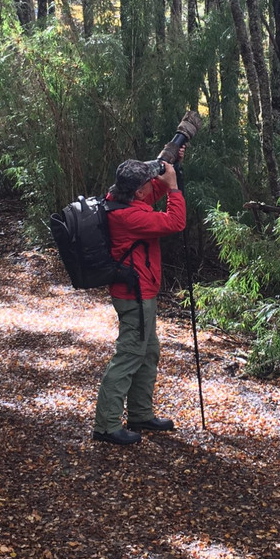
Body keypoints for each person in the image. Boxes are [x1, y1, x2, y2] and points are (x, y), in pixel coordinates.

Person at [92, 149, 186, 445]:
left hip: (138, 291)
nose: (151, 185)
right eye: (148, 183)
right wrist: (173, 187)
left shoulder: (121, 199)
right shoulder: (130, 216)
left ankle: (140, 414)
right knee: (130, 355)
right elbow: (175, 222)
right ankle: (106, 426)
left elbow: (150, 190)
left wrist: (171, 162)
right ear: (139, 189)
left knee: (147, 352)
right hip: (136, 294)